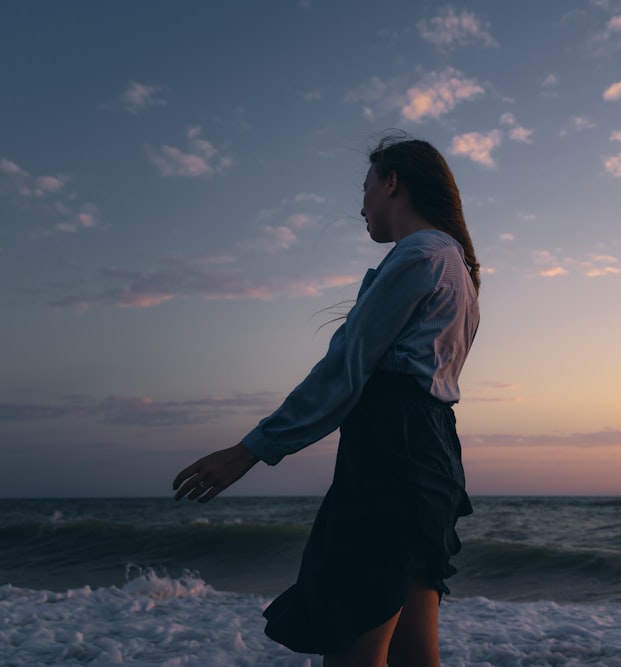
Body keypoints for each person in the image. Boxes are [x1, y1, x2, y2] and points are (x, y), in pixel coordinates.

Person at [172, 134, 480, 667]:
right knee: (414, 657)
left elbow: (344, 373)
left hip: (392, 460)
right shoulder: (457, 268)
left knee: (352, 654)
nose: (360, 205)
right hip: (430, 461)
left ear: (392, 182)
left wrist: (250, 450)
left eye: (365, 187)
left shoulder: (420, 254)